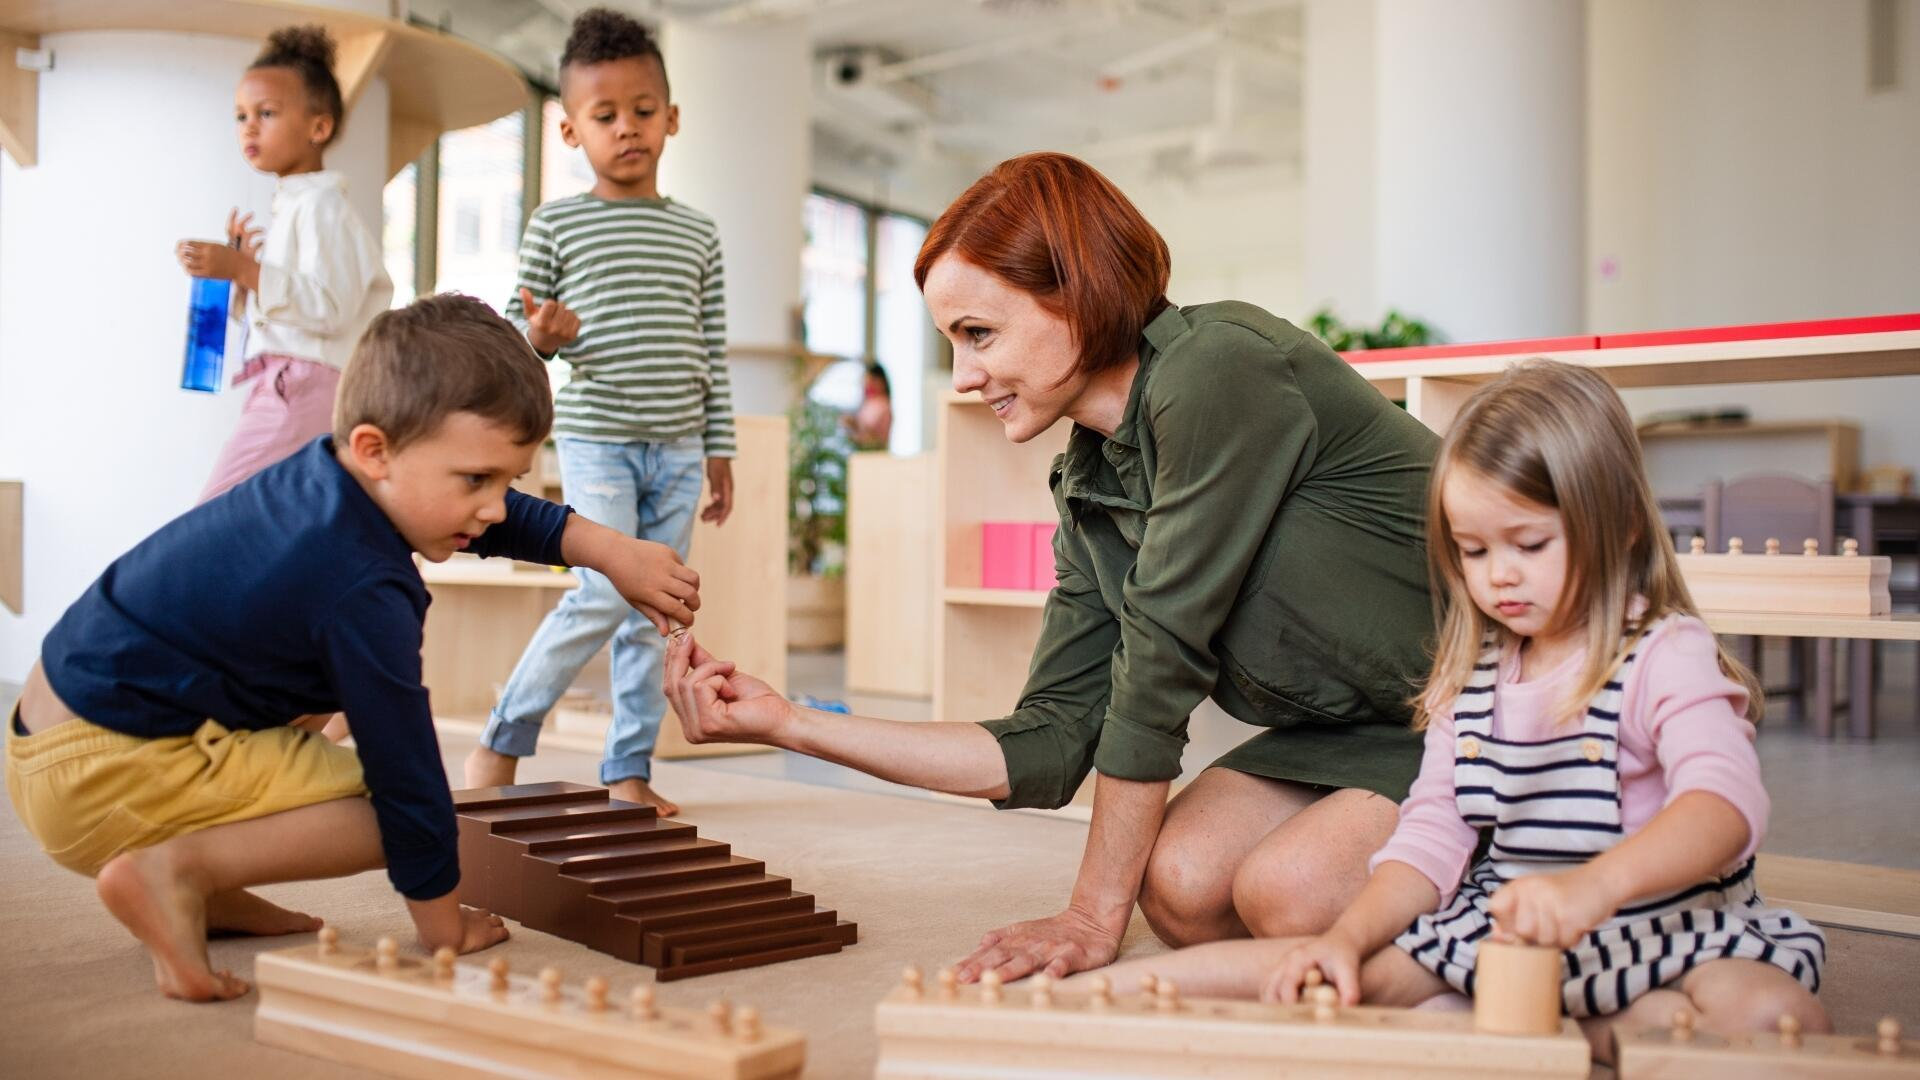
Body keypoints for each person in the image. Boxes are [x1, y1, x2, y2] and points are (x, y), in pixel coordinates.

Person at [664, 152, 1440, 983]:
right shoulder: (1089, 481)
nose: (962, 378)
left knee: (1290, 893)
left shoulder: (1218, 368)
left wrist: (1090, 915)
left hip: (1491, 711)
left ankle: (1568, 861)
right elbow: (1051, 740)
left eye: (979, 335)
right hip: (1356, 733)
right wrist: (793, 724)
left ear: (1077, 293)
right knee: (1178, 886)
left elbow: (1159, 667)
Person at [1089, 361, 1827, 1064]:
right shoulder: (1471, 676)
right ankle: (1594, 1025)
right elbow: (1433, 834)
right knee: (1333, 986)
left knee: (1773, 1020)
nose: (1498, 575)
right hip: (1508, 934)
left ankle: (1576, 1022)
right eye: (1472, 551)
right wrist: (1348, 937)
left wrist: (1592, 888)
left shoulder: (1666, 653)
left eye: (1529, 543)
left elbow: (1724, 806)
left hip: (1669, 926)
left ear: (1624, 526)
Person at [4, 294, 701, 1003]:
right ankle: (174, 870)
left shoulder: (327, 479)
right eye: (476, 481)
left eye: (508, 481)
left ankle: (208, 888)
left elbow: (481, 516)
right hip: (102, 774)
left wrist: (609, 550)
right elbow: (407, 772)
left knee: (321, 698)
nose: (495, 507)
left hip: (55, 738)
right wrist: (442, 929)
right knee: (395, 808)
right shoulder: (363, 584)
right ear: (375, 448)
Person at [463, 8, 734, 817]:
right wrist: (539, 337)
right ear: (572, 130)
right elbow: (518, 345)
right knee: (605, 590)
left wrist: (721, 451)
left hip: (682, 448)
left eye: (643, 111)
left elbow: (710, 348)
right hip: (597, 438)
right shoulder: (555, 224)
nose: (627, 129)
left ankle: (627, 771)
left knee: (656, 611)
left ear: (672, 118)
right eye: (604, 115)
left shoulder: (698, 234)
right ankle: (502, 739)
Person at [175, 25, 393, 504]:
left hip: (304, 383)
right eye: (241, 115)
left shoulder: (322, 208)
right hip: (289, 381)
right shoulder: (296, 207)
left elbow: (330, 307)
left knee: (218, 513)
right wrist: (244, 277)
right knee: (285, 520)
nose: (249, 127)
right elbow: (295, 308)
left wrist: (245, 270)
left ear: (319, 127)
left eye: (266, 113)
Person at [845, 362, 893, 450]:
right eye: (867, 381)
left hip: (875, 453)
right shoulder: (867, 404)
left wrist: (856, 424)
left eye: (872, 380)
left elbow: (874, 436)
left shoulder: (884, 405)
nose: (868, 385)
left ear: (882, 382)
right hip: (862, 450)